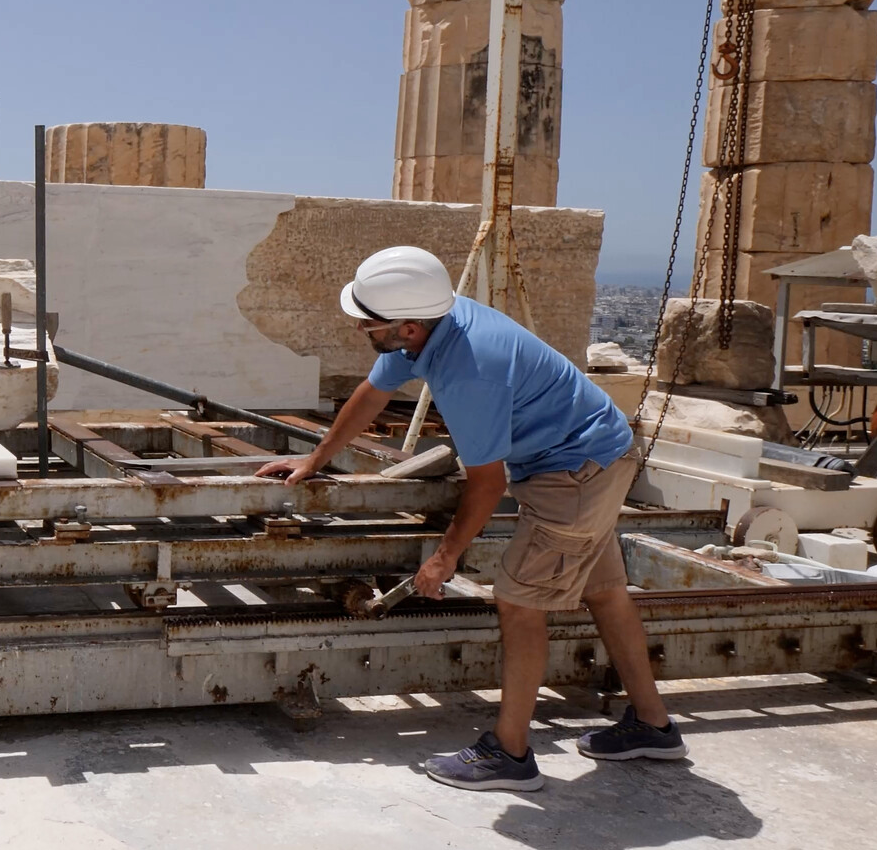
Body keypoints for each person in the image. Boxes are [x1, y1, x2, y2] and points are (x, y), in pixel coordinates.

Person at [256, 246, 686, 792]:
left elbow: (488, 483)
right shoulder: (434, 321)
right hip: (590, 456)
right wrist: (316, 459)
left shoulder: (470, 370)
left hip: (576, 472)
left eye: (368, 321)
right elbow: (371, 394)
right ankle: (654, 726)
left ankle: (509, 755)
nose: (361, 327)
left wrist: (444, 558)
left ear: (407, 327)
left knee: (519, 601)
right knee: (603, 591)